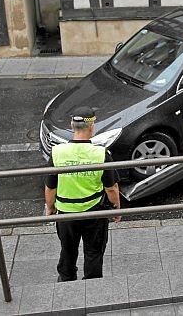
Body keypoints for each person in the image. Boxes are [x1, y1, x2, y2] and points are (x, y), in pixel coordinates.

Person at [45, 106, 121, 282]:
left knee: (67, 249)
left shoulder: (57, 152)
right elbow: (111, 188)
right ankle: (92, 283)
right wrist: (116, 210)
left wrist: (50, 208)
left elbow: (50, 187)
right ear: (92, 127)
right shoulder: (101, 154)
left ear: (72, 125)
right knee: (94, 252)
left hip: (66, 213)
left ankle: (66, 278)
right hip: (93, 212)